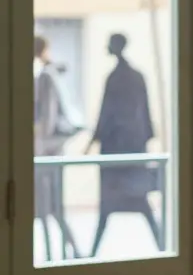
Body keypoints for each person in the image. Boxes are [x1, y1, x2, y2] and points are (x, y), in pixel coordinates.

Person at [86, 33, 162, 255]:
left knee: (114, 202)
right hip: (133, 147)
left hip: (118, 149)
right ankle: (162, 245)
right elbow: (145, 115)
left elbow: (106, 112)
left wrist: (94, 140)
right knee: (136, 201)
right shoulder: (137, 76)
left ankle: (92, 253)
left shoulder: (117, 78)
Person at [33, 33, 83, 260]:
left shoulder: (46, 77)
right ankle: (65, 253)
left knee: (49, 206)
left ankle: (64, 254)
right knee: (47, 207)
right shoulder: (44, 75)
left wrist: (38, 148)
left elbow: (47, 120)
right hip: (46, 152)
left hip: (47, 153)